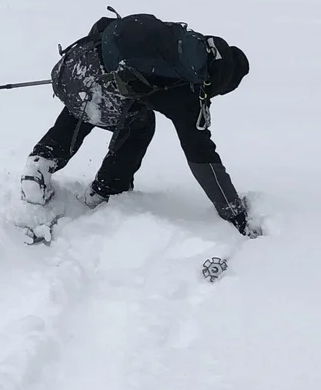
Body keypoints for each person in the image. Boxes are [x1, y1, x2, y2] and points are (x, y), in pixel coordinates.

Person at [21, 14, 257, 234]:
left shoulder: (176, 39)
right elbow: (202, 156)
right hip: (96, 87)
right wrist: (234, 212)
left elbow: (105, 25)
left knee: (91, 99)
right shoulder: (187, 92)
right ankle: (107, 190)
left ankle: (42, 160)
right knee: (139, 121)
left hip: (74, 65)